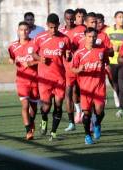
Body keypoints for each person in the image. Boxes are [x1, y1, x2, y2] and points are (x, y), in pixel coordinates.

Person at [34, 13, 71, 141]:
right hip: (44, 78)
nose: (53, 30)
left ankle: (53, 132)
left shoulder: (65, 39)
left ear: (58, 26)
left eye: (55, 27)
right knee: (46, 106)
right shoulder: (40, 38)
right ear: (47, 25)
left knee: (59, 104)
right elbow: (33, 53)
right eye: (50, 27)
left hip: (60, 77)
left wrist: (69, 55)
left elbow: (68, 55)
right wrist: (40, 58)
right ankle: (44, 120)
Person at [71, 27, 109, 144]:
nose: (91, 39)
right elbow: (73, 69)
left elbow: (106, 62)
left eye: (94, 37)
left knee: (99, 111)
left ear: (97, 37)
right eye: (89, 37)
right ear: (85, 37)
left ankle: (97, 123)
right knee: (86, 114)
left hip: (99, 86)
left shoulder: (102, 50)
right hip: (85, 88)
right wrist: (79, 69)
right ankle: (87, 136)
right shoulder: (79, 53)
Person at [8, 21, 39, 140]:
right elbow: (11, 57)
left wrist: (31, 63)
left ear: (30, 31)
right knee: (25, 105)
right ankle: (28, 131)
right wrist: (11, 61)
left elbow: (42, 60)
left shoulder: (35, 43)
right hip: (21, 80)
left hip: (35, 80)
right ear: (18, 31)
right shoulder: (12, 46)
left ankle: (31, 122)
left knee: (34, 108)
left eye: (26, 30)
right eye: (21, 29)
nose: (24, 32)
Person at [105, 11, 123, 118]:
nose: (122, 19)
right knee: (115, 85)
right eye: (119, 17)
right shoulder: (109, 31)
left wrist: (122, 50)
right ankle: (117, 96)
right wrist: (111, 49)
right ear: (115, 18)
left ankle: (121, 109)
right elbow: (106, 45)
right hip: (112, 63)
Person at [59, 9, 78, 132]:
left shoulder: (82, 30)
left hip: (81, 68)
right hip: (67, 68)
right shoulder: (60, 32)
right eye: (68, 19)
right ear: (64, 18)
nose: (70, 21)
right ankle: (72, 122)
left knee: (83, 94)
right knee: (68, 94)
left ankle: (89, 118)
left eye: (72, 19)